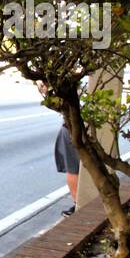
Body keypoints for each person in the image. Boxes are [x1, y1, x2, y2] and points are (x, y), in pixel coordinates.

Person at [37, 81, 79, 216]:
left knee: (74, 168)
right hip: (78, 124)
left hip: (74, 125)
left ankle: (78, 204)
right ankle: (79, 203)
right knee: (76, 167)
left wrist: (46, 91)